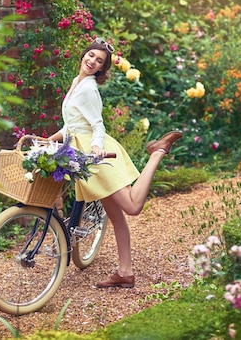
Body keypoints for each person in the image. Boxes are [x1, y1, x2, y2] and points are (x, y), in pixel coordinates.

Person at [48, 37, 183, 288]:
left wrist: (97, 147)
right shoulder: (76, 83)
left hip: (97, 155)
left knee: (132, 207)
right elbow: (73, 125)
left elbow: (97, 125)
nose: (92, 62)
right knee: (115, 215)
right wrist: (50, 139)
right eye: (91, 56)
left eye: (99, 61)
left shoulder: (89, 88)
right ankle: (125, 272)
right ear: (84, 55)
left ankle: (156, 153)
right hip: (84, 152)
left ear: (102, 68)